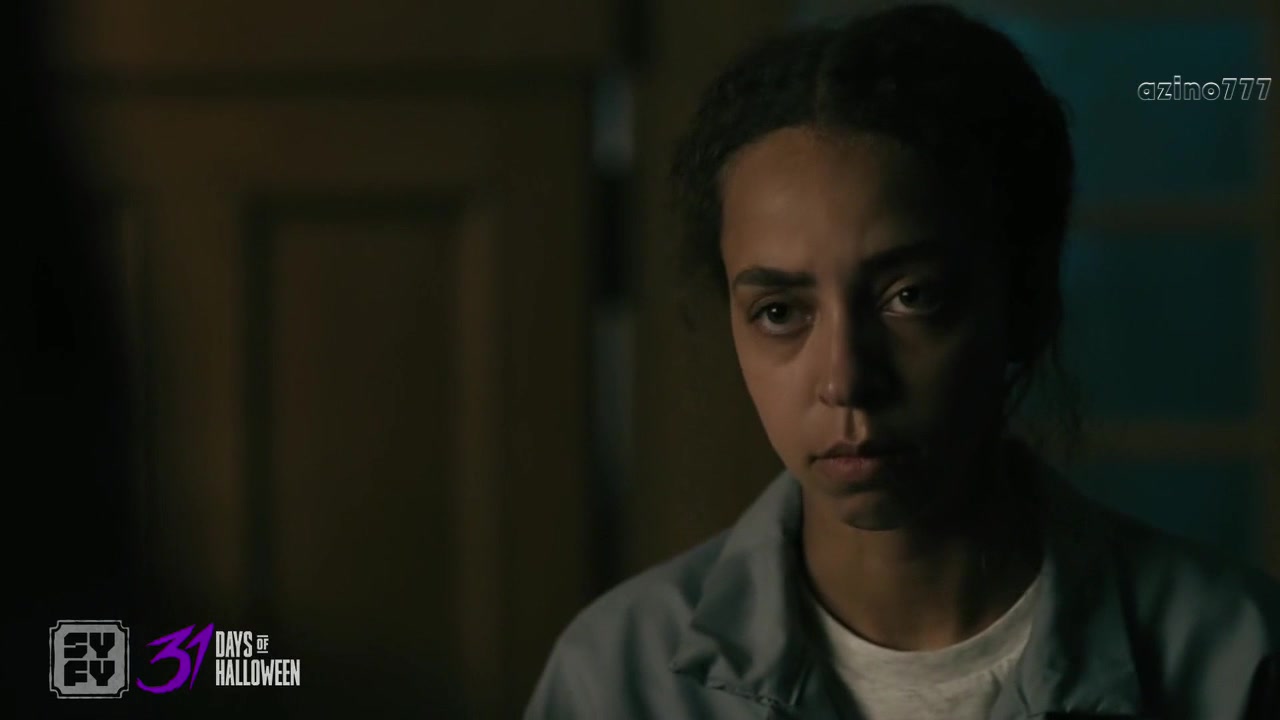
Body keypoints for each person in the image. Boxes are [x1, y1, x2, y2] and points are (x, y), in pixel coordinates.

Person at [524, 3, 1280, 718]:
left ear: (1023, 299)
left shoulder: (1232, 659)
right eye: (780, 313)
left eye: (911, 297)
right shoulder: (620, 677)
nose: (846, 379)